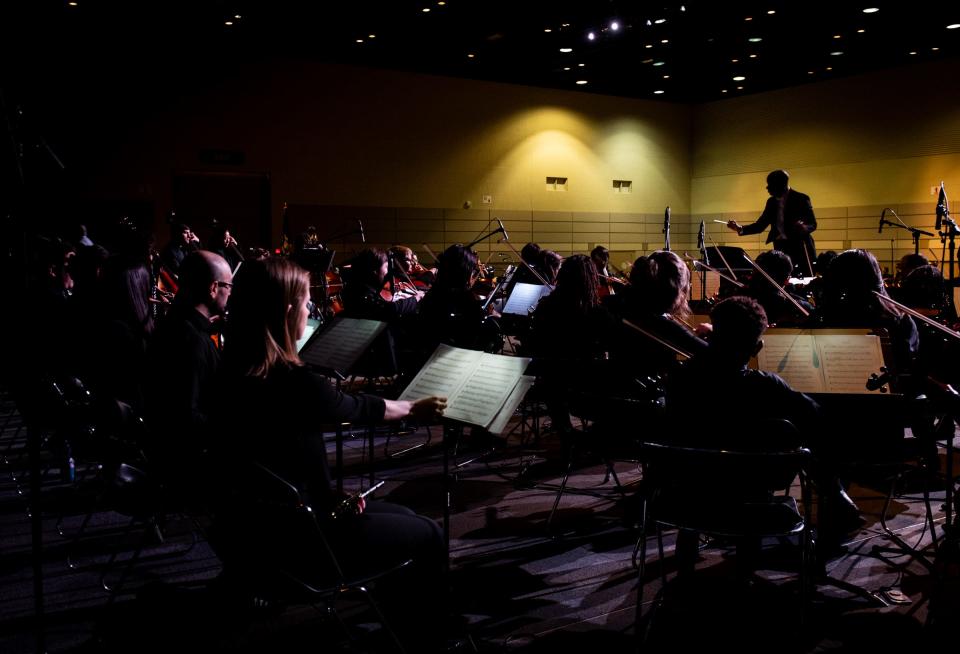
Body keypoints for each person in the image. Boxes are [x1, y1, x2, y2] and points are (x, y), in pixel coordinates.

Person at [211, 257, 448, 651]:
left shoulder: (229, 373)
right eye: (306, 302)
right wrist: (411, 408)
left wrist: (327, 498)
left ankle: (399, 623)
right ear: (287, 311)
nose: (311, 310)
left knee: (403, 516)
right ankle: (429, 641)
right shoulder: (295, 384)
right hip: (302, 545)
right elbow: (357, 408)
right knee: (430, 533)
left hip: (250, 538)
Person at [143, 250, 233, 496]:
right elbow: (186, 417)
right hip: (189, 462)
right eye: (229, 286)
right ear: (214, 288)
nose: (230, 292)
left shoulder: (175, 323)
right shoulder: (192, 341)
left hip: (164, 449)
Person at [727, 169, 817, 276]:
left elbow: (812, 223)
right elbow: (760, 225)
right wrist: (740, 228)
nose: (767, 188)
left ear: (781, 184)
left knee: (803, 283)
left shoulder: (801, 198)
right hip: (781, 249)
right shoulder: (771, 202)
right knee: (782, 280)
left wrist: (804, 228)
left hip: (801, 248)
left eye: (770, 185)